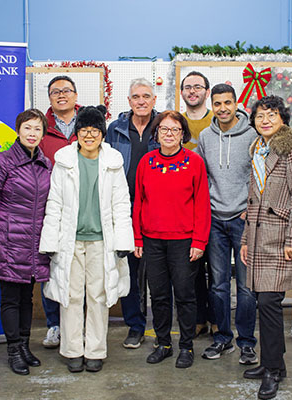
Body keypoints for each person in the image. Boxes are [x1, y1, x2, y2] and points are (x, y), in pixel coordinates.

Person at [40, 106, 134, 373]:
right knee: (70, 295)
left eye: (94, 131)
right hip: (69, 241)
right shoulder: (64, 161)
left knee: (98, 296)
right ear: (77, 134)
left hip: (101, 242)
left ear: (102, 134)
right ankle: (72, 350)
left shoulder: (113, 162)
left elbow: (120, 204)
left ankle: (95, 350)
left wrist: (123, 242)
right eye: (83, 130)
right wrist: (49, 242)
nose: (89, 135)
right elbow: (54, 202)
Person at [240, 95, 292, 400]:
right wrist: (244, 238)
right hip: (257, 239)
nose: (265, 120)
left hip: (281, 240)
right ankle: (275, 365)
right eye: (259, 116)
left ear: (283, 119)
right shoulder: (258, 149)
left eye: (271, 115)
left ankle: (271, 370)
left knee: (269, 304)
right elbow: (251, 200)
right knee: (262, 302)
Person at [133, 110, 211, 369]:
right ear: (156, 133)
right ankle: (163, 343)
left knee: (185, 296)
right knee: (159, 296)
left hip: (184, 241)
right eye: (164, 129)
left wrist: (199, 241)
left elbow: (202, 204)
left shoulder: (194, 162)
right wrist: (138, 238)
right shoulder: (146, 162)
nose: (169, 134)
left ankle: (186, 346)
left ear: (183, 134)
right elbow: (139, 202)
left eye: (174, 130)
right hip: (152, 240)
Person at [0, 108, 52, 376]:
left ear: (43, 133)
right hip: (8, 241)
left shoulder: (45, 163)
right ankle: (12, 350)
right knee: (10, 297)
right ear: (18, 130)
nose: (32, 134)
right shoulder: (3, 162)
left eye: (37, 129)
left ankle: (24, 345)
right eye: (27, 128)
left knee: (27, 297)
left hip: (34, 243)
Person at [196, 84, 259, 365]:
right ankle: (223, 338)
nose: (223, 108)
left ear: (236, 104)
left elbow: (261, 176)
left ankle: (246, 342)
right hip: (215, 220)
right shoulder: (205, 137)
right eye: (218, 103)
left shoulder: (253, 135)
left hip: (243, 220)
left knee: (246, 287)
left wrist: (251, 209)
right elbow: (201, 176)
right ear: (213, 105)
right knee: (218, 285)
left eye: (228, 103)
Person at [106, 78, 159, 349]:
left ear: (154, 100)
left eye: (146, 96)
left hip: (157, 210)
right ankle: (135, 327)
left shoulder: (164, 126)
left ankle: (162, 328)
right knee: (129, 271)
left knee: (160, 273)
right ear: (128, 101)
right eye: (136, 96)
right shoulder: (115, 129)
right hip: (123, 212)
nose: (141, 101)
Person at [38, 75, 82, 349]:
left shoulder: (90, 122)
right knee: (52, 269)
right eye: (55, 92)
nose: (61, 95)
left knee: (82, 271)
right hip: (50, 209)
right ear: (50, 97)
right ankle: (54, 325)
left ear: (76, 95)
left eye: (66, 90)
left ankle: (79, 325)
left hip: (85, 208)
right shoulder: (40, 127)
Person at [180, 71, 215, 337]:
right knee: (192, 271)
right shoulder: (176, 122)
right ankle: (199, 318)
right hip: (184, 209)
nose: (193, 91)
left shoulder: (217, 120)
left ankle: (217, 318)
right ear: (182, 92)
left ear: (207, 91)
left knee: (216, 269)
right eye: (188, 87)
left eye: (198, 87)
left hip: (216, 206)